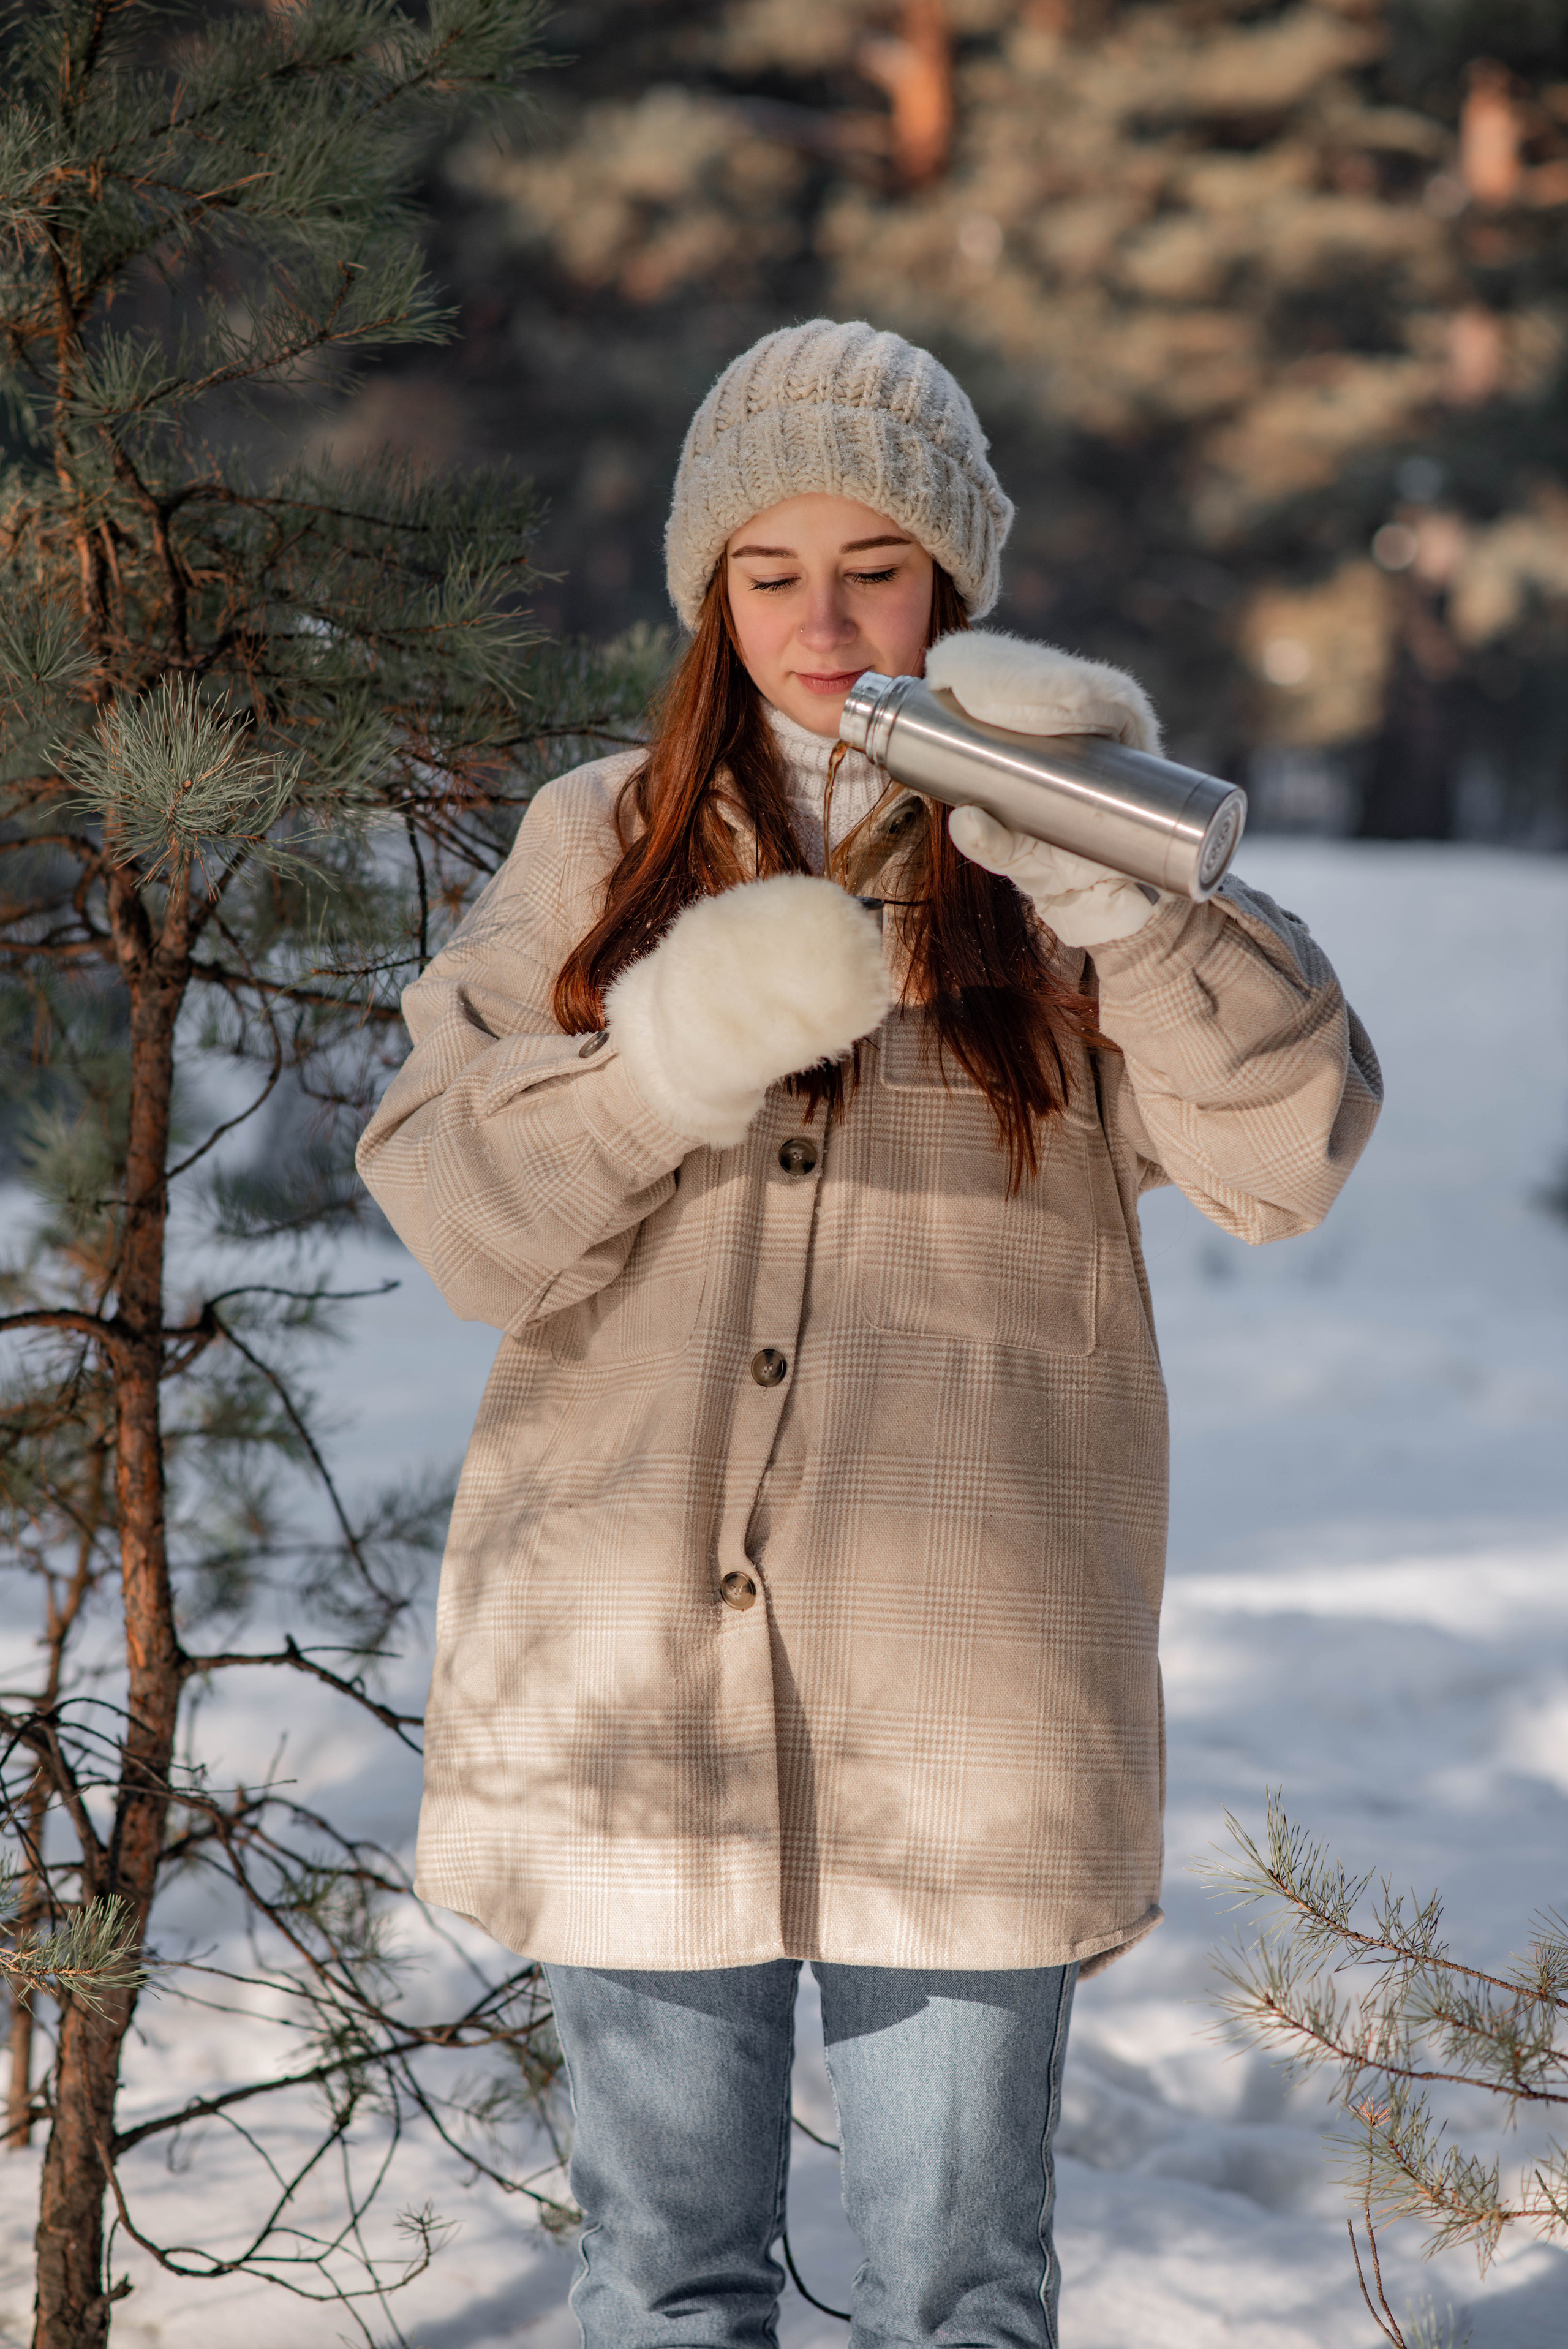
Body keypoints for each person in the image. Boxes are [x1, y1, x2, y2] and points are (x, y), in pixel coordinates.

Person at [356, 319, 1382, 2348]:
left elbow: (1288, 1147)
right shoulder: (601, 839)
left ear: (953, 586)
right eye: (769, 574)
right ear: (707, 594)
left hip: (966, 1699)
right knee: (661, 2283)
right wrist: (666, 1064)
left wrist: (1116, 894)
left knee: (957, 2294)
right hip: (634, 1666)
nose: (822, 622)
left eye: (874, 567)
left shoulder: (1073, 844)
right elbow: (454, 1205)